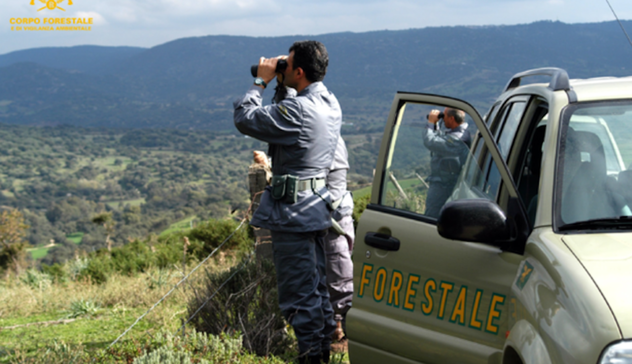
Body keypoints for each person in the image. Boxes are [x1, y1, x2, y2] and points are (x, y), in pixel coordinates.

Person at [233, 40, 340, 364]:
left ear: (299, 71)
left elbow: (245, 118)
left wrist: (261, 82)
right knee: (317, 290)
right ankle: (321, 354)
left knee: (298, 295)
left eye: (287, 63)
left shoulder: (298, 109)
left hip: (293, 215)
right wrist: (284, 86)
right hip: (315, 210)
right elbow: (284, 123)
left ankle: (310, 358)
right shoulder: (329, 102)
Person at [324, 137, 354, 342]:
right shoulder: (330, 134)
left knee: (338, 274)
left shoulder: (328, 138)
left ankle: (340, 332)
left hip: (333, 216)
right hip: (338, 214)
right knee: (336, 270)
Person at [423, 107, 472, 218]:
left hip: (443, 186)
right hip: (446, 183)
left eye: (444, 116)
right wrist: (436, 125)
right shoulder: (458, 134)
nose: (442, 118)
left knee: (432, 217)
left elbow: (431, 142)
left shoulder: (458, 138)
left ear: (451, 118)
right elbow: (441, 141)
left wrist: (430, 123)